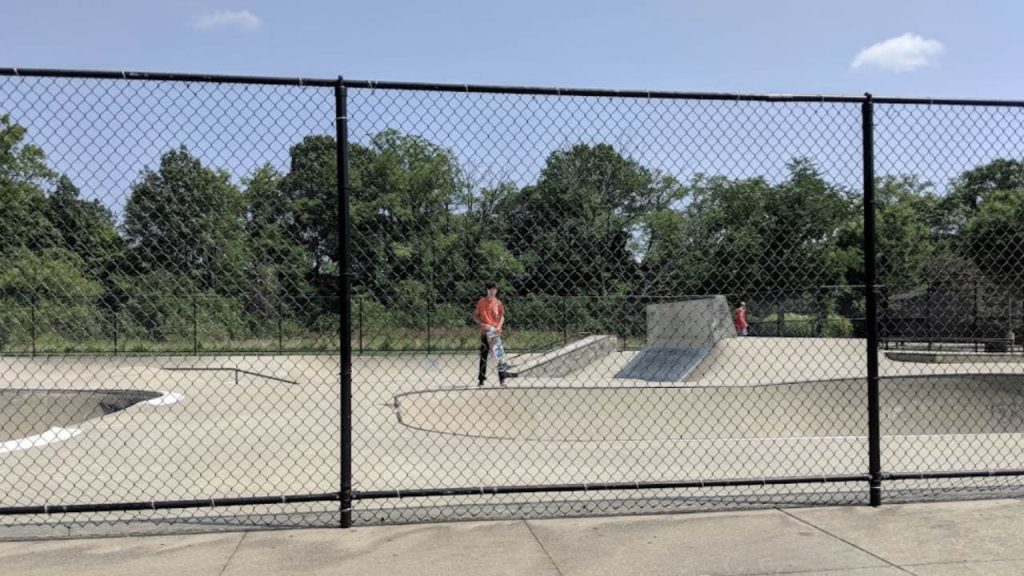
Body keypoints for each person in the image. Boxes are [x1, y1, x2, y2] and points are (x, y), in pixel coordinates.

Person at [473, 282, 515, 386]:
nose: (493, 291)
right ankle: (481, 379)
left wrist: (498, 327)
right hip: (485, 332)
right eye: (490, 289)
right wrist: (482, 324)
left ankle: (502, 379)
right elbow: (475, 316)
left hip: (495, 333)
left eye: (494, 289)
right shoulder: (481, 302)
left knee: (499, 356)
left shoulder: (498, 303)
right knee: (484, 356)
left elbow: (502, 316)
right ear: (487, 290)